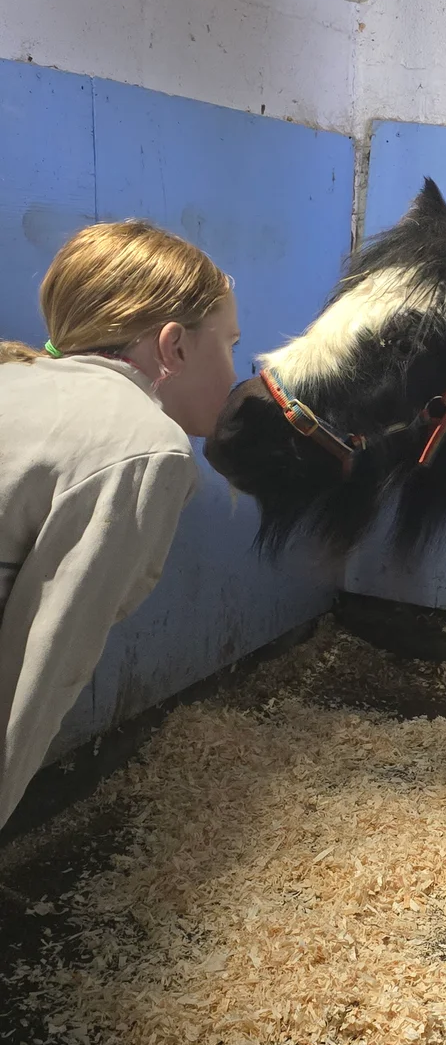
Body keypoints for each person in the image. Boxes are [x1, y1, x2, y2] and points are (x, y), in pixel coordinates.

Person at [0, 220, 240, 830]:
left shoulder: (16, 382)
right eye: (229, 344)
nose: (234, 369)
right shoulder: (144, 446)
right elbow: (44, 664)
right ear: (174, 348)